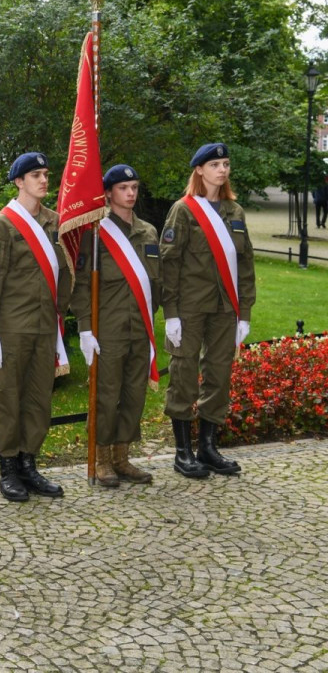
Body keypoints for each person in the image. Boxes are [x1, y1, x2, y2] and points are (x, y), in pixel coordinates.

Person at [0, 152, 72, 502]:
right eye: (35, 175)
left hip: (46, 327)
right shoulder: (2, 224)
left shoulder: (55, 222)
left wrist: (62, 314)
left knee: (37, 399)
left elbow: (65, 272)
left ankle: (30, 464)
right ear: (19, 181)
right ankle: (8, 469)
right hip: (12, 328)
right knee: (9, 398)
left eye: (46, 174)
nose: (44, 180)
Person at [161, 142, 255, 477]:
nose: (223, 170)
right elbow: (168, 265)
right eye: (216, 165)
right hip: (189, 308)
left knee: (218, 374)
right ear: (200, 170)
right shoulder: (183, 211)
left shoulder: (235, 212)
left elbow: (246, 266)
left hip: (224, 308)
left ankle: (208, 448)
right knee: (184, 375)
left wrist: (244, 312)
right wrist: (170, 312)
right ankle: (183, 452)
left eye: (227, 164)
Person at [72, 165, 159, 487]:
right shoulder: (95, 234)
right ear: (108, 193)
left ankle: (123, 457)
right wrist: (84, 328)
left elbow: (156, 282)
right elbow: (81, 286)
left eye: (135, 186)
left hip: (140, 328)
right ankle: (102, 458)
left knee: (134, 395)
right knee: (107, 397)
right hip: (107, 329)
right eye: (124, 188)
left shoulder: (148, 232)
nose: (131, 193)